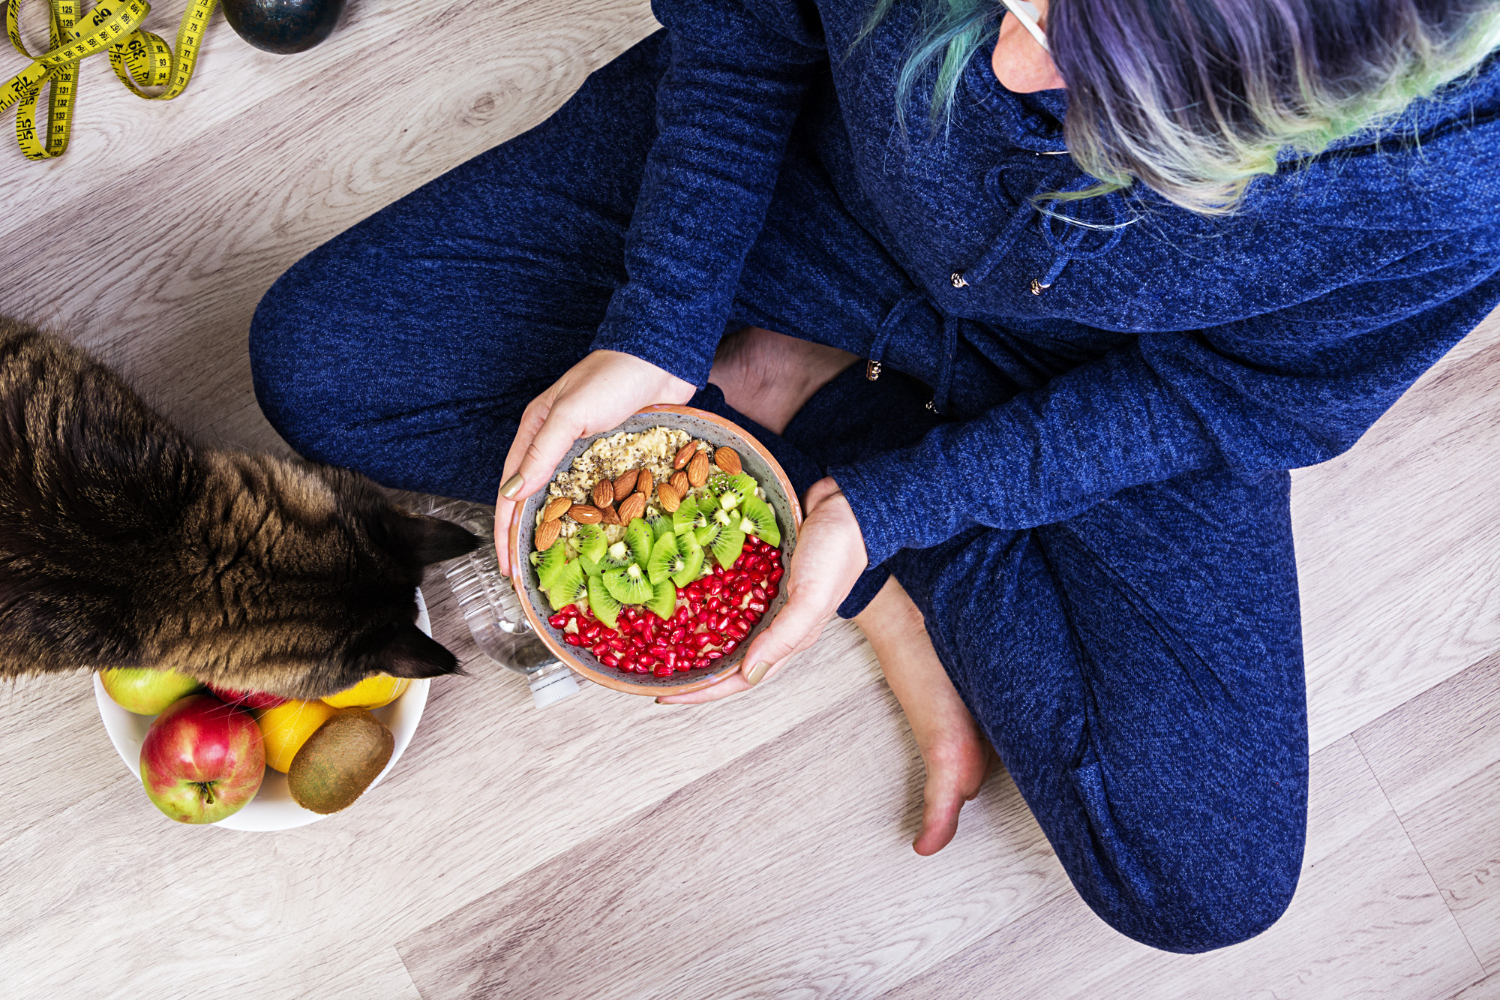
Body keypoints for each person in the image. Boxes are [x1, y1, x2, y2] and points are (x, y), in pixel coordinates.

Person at [248, 0, 1500, 952]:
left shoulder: (1463, 172)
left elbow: (1238, 393)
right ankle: (814, 420)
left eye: (1113, 92)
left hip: (1099, 361)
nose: (1008, 70)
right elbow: (744, 24)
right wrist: (660, 322)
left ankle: (837, 436)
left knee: (1198, 875)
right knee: (326, 363)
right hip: (821, 175)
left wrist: (900, 504)